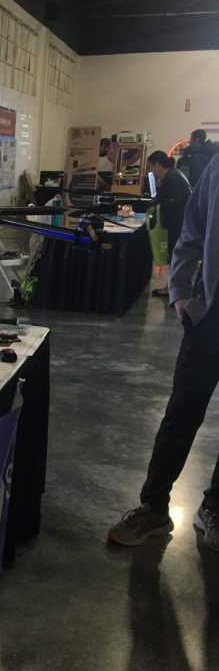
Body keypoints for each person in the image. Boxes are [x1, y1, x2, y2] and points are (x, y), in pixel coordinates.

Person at [108, 152, 219, 550]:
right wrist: (181, 294)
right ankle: (154, 508)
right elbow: (193, 229)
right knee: (181, 413)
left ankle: (216, 507)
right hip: (210, 315)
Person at [146, 151, 191, 298]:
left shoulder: (171, 178)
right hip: (182, 223)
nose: (151, 171)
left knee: (175, 256)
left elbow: (175, 202)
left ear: (157, 165)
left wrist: (156, 207)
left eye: (151, 167)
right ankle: (174, 288)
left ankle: (174, 289)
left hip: (178, 223)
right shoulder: (175, 174)